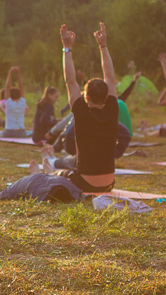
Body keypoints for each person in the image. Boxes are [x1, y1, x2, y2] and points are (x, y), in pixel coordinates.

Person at [49, 22, 119, 195]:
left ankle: (47, 164)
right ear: (107, 96)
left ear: (86, 97)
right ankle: (52, 161)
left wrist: (67, 48)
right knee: (70, 160)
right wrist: (103, 45)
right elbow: (110, 77)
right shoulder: (112, 110)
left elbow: (70, 81)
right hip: (109, 183)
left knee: (55, 174)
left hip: (84, 183)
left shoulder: (81, 112)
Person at [0, 67, 28, 137]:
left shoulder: (9, 103)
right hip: (22, 132)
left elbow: (7, 87)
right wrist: (18, 74)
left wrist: (10, 73)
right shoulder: (22, 102)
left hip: (10, 132)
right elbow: (21, 87)